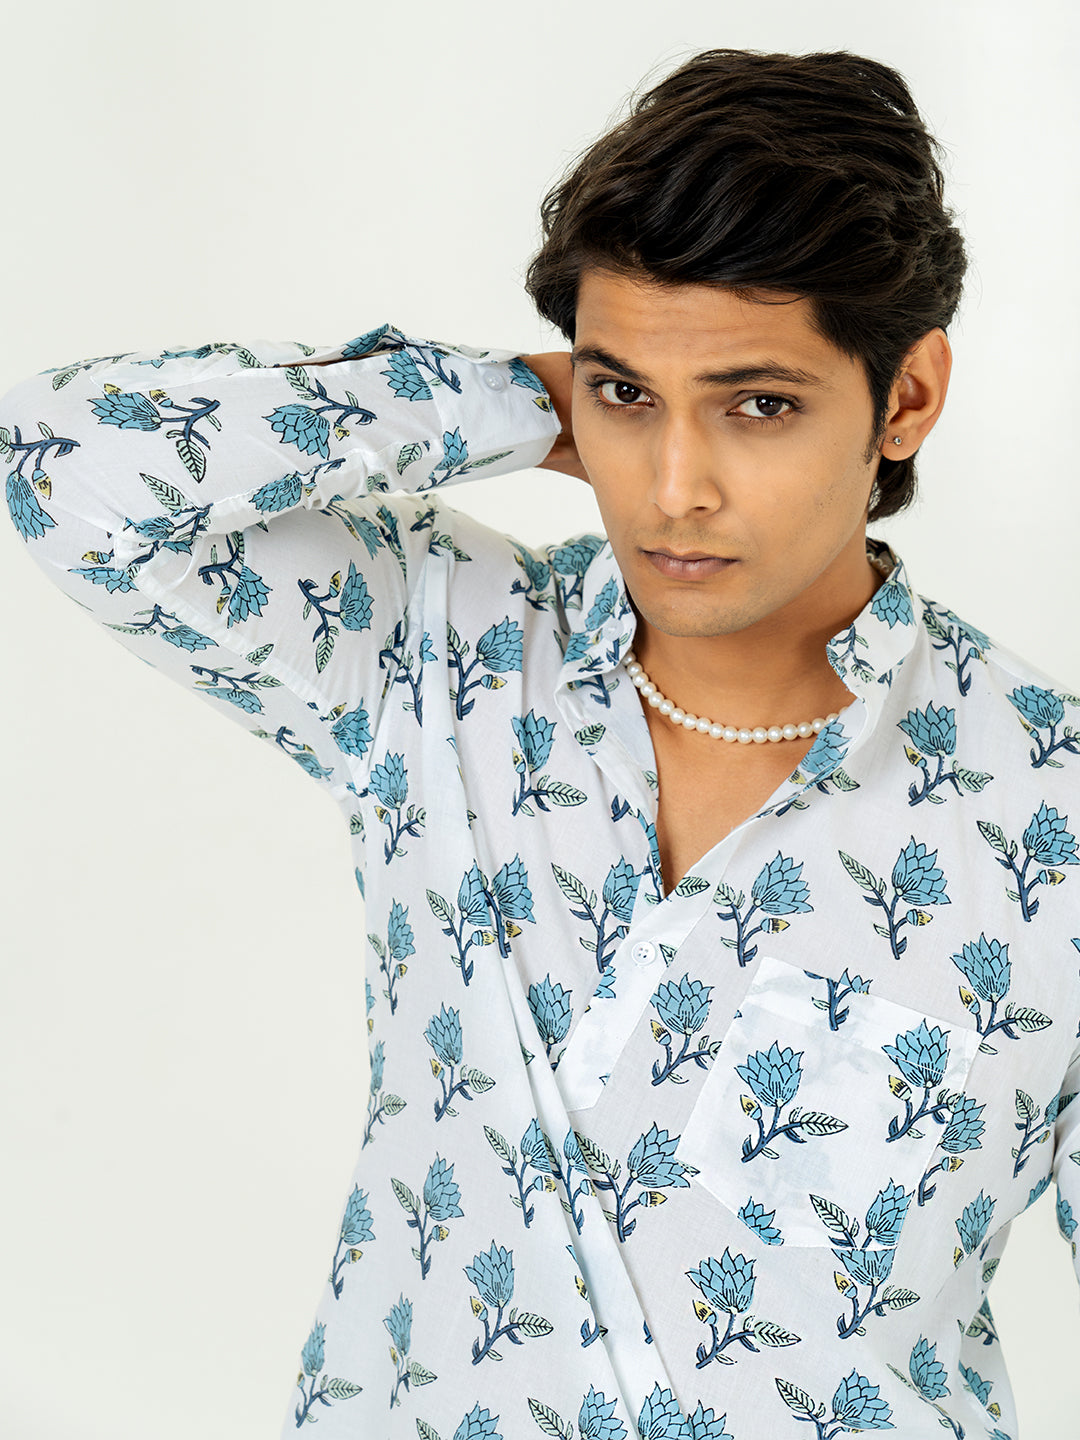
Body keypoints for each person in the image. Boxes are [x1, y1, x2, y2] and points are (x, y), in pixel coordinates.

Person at [4, 46, 1078, 1440]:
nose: (673, 489)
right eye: (627, 396)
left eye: (758, 404)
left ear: (906, 398)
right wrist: (511, 399)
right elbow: (67, 466)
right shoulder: (432, 654)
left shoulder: (1048, 815)